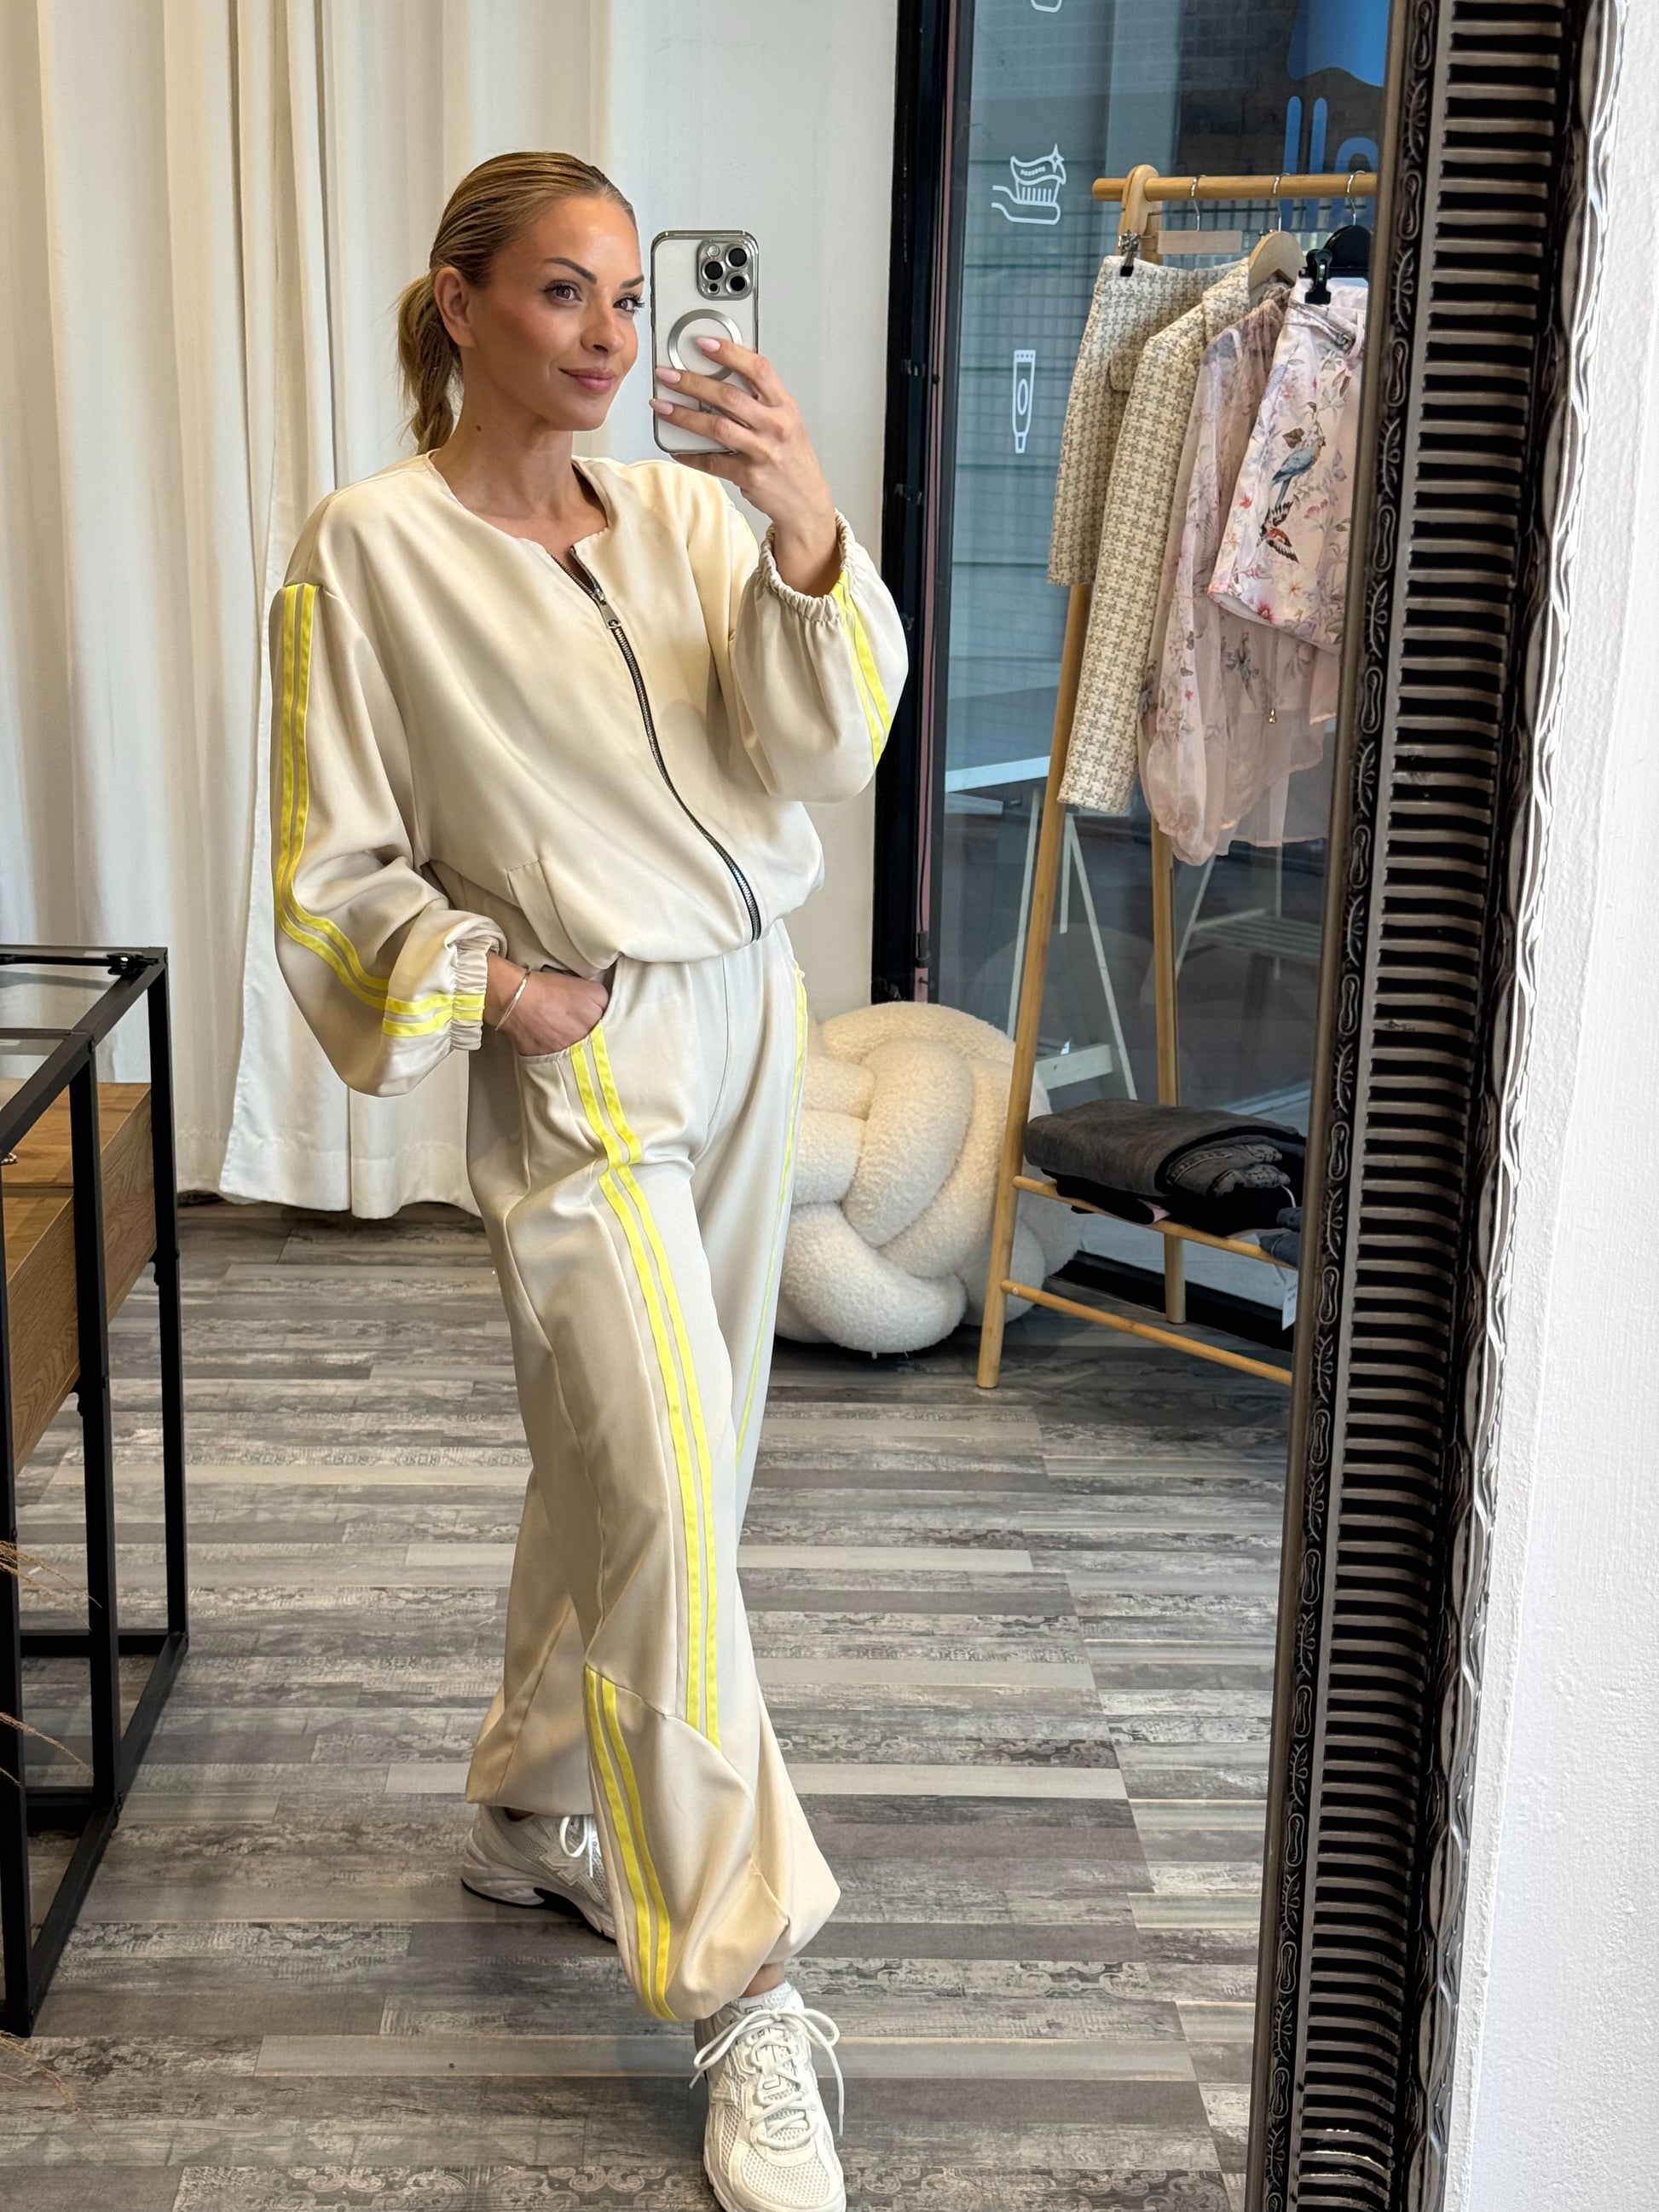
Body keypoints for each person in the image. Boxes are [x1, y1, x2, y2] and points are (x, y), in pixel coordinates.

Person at [269, 150, 905, 2212]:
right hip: (584, 1048)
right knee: (659, 1488)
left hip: (752, 1011)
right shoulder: (366, 552)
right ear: (460, 303)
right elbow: (329, 864)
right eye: (562, 292)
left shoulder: (695, 516)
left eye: (629, 296)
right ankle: (744, 1981)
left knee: (661, 1470)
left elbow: (820, 746)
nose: (611, 336)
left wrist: (805, 525)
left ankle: (532, 1794)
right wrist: (499, 986)